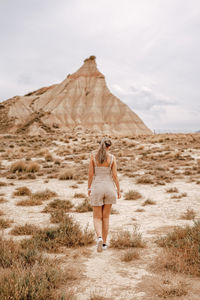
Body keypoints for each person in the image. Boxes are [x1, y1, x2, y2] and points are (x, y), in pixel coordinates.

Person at [88, 137, 121, 252]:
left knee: (97, 217)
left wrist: (89, 188)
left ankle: (99, 238)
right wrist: (118, 190)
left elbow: (91, 175)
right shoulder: (112, 158)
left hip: (97, 188)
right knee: (106, 217)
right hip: (109, 188)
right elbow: (115, 176)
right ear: (109, 146)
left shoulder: (93, 157)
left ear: (99, 145)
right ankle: (104, 244)